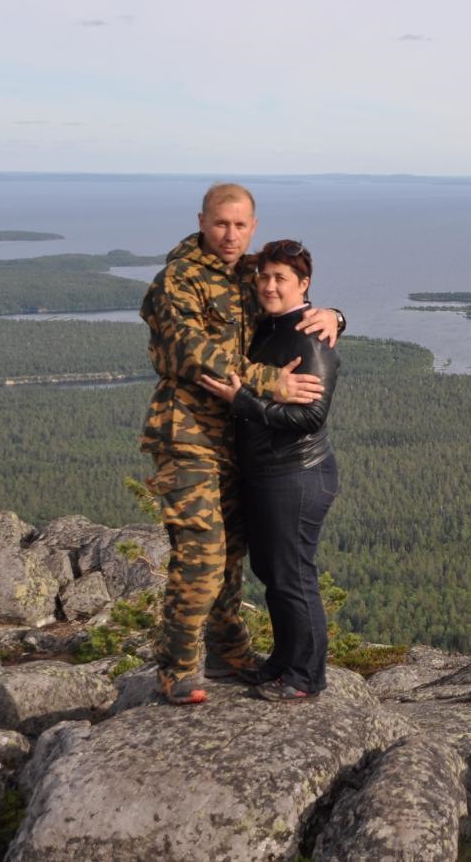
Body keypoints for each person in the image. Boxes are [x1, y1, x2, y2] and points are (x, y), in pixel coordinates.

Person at [139, 184, 344, 705]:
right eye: (220, 224)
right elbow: (188, 351)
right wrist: (270, 381)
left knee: (231, 555)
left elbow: (290, 289)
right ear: (202, 222)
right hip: (186, 434)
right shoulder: (178, 279)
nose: (230, 235)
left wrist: (335, 315)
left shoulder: (248, 271)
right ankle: (178, 669)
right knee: (202, 555)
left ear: (252, 227)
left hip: (236, 441)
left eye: (239, 225)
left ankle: (229, 652)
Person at [199, 238, 339, 701]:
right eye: (264, 276)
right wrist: (340, 313)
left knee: (293, 574)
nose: (269, 285)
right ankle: (283, 662)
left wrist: (241, 402)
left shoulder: (310, 336)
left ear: (304, 284)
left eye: (281, 278)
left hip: (296, 475)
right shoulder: (268, 327)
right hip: (266, 473)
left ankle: (306, 677)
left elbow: (310, 417)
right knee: (272, 571)